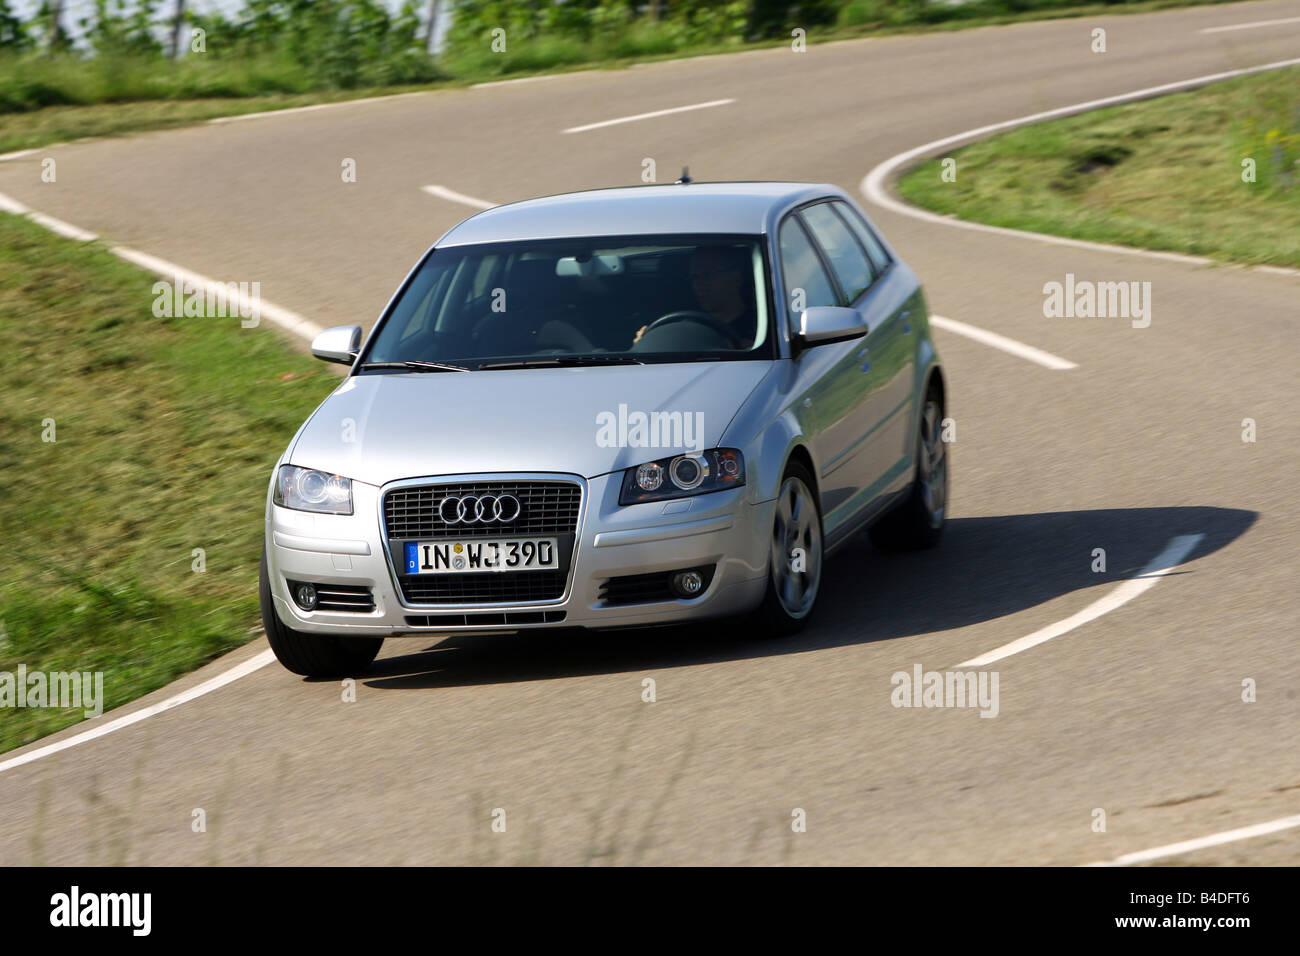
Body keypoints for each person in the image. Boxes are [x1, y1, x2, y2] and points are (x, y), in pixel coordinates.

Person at [633, 245, 756, 349]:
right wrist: (643, 345)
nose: (699, 284)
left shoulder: (762, 327)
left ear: (736, 277)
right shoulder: (679, 324)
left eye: (707, 275)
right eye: (695, 277)